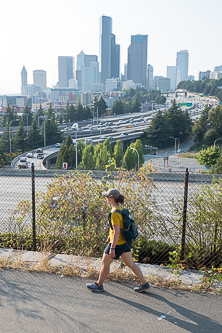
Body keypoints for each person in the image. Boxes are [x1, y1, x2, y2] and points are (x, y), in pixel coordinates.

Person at [86, 188, 150, 292]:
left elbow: (116, 232)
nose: (106, 198)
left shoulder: (114, 213)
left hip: (118, 243)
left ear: (111, 198)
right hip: (125, 242)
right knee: (131, 264)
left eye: (107, 196)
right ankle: (144, 283)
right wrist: (109, 236)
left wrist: (112, 247)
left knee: (105, 263)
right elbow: (118, 228)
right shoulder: (120, 209)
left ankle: (99, 285)